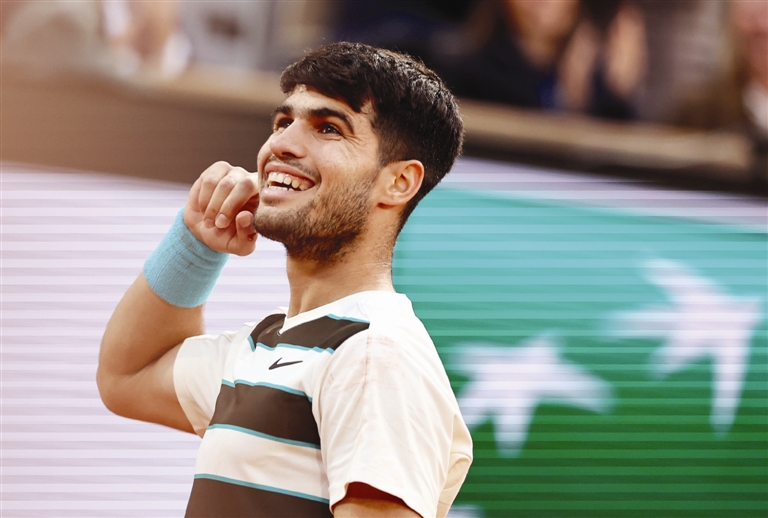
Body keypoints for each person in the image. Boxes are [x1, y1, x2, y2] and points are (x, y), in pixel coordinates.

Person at [97, 42, 473, 518]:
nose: (281, 145)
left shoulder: (375, 353)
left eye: (328, 128)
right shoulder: (271, 342)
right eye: (282, 122)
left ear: (398, 182)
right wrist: (195, 244)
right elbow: (127, 376)